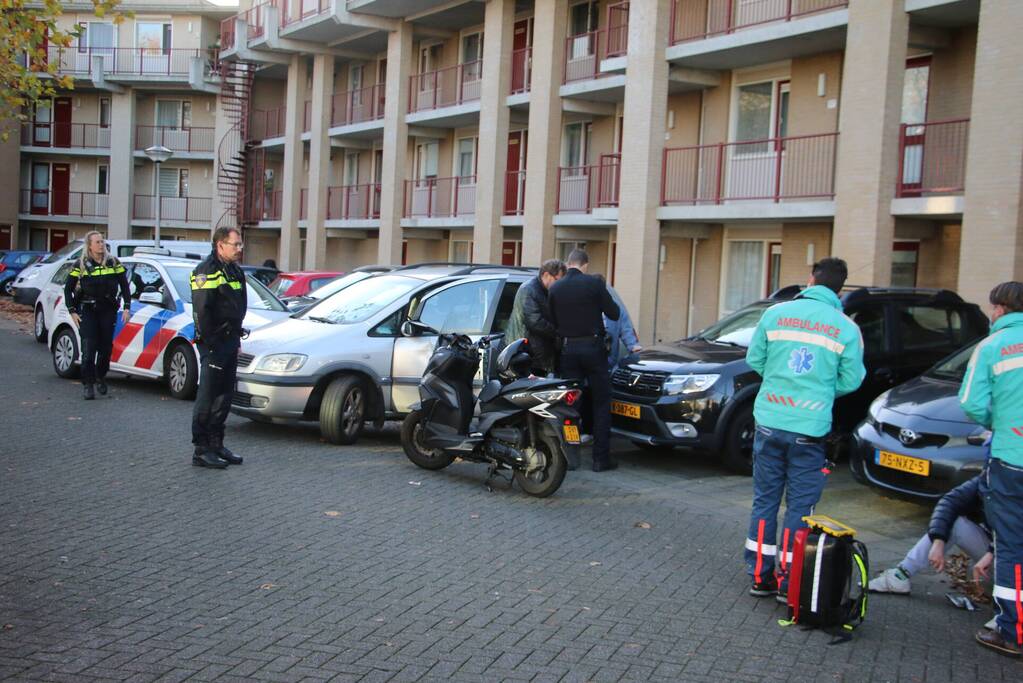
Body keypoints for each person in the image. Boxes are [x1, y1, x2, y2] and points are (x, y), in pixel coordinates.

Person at [743, 258, 865, 600]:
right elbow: (852, 380)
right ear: (839, 289)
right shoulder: (845, 328)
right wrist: (820, 391)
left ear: (811, 280)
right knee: (800, 507)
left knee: (764, 500)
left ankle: (759, 576)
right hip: (809, 429)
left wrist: (780, 381)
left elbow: (755, 359)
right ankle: (789, 582)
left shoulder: (775, 314)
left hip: (769, 420)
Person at [959, 281, 1023, 657]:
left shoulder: (992, 347)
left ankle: (1012, 630)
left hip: (1012, 457)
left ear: (999, 308)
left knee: (1012, 544)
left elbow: (971, 403)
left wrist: (997, 419)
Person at [548, 249, 620, 472]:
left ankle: (570, 457)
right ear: (585, 265)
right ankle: (600, 459)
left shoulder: (556, 288)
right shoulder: (594, 284)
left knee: (570, 405)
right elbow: (614, 313)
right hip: (593, 348)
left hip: (569, 349)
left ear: (568, 263)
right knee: (600, 402)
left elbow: (552, 320)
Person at [190, 227, 248, 469]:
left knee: (224, 395)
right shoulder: (206, 271)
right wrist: (212, 343)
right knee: (208, 396)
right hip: (214, 342)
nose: (239, 248)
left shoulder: (234, 271)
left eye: (240, 244)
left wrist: (235, 338)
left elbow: (240, 304)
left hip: (230, 339)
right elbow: (202, 311)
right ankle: (201, 450)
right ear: (220, 245)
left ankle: (217, 444)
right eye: (235, 244)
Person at [64, 231, 130, 400]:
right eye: (98, 242)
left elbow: (124, 285)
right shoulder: (81, 264)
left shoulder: (113, 262)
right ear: (90, 245)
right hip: (88, 310)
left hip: (107, 310)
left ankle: (101, 376)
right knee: (88, 348)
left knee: (105, 349)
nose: (101, 244)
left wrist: (127, 307)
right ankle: (88, 384)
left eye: (102, 241)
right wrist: (72, 311)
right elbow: (68, 289)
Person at [505, 259, 565, 375]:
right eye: (557, 280)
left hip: (539, 352)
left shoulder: (547, 291)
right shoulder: (529, 289)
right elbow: (535, 321)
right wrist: (558, 332)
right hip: (527, 352)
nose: (559, 284)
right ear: (546, 275)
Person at [594, 275, 642, 372]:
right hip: (587, 363)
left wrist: (634, 347)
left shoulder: (616, 309)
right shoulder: (583, 308)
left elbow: (626, 331)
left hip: (608, 366)